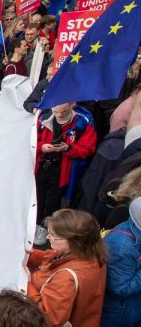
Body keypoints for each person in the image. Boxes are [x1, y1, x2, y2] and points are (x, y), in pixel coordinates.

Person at [26, 209, 107, 327]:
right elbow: (54, 258)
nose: (48, 238)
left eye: (53, 235)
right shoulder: (91, 253)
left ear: (74, 241)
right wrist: (29, 254)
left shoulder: (66, 278)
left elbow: (48, 316)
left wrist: (28, 282)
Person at [91, 197, 141, 327]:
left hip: (129, 309)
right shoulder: (123, 246)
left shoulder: (133, 235)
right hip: (117, 312)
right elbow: (119, 288)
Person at [34, 102, 97, 239]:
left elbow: (88, 149)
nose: (59, 115)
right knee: (37, 197)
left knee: (54, 200)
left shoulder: (82, 121)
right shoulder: (41, 117)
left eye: (64, 111)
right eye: (56, 111)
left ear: (72, 105)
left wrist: (68, 149)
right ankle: (36, 224)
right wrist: (41, 147)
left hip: (63, 169)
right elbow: (30, 140)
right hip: (41, 166)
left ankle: (47, 228)